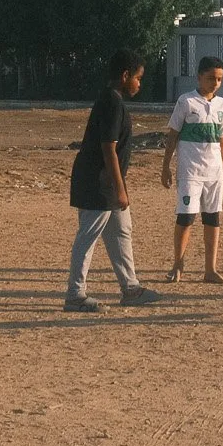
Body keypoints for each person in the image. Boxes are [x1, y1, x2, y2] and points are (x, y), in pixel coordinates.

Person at [65, 50, 163, 314]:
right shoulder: (112, 103)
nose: (139, 84)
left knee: (121, 231)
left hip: (107, 183)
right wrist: (119, 189)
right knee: (88, 237)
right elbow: (108, 148)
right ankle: (75, 295)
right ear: (125, 75)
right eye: (138, 78)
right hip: (98, 183)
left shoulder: (113, 100)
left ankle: (130, 289)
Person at [160, 55, 223, 284]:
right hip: (190, 172)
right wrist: (165, 166)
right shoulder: (186, 102)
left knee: (212, 219)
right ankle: (178, 263)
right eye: (211, 78)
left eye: (219, 79)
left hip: (214, 173)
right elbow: (173, 135)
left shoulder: (222, 105)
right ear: (199, 77)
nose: (215, 83)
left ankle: (210, 269)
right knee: (186, 218)